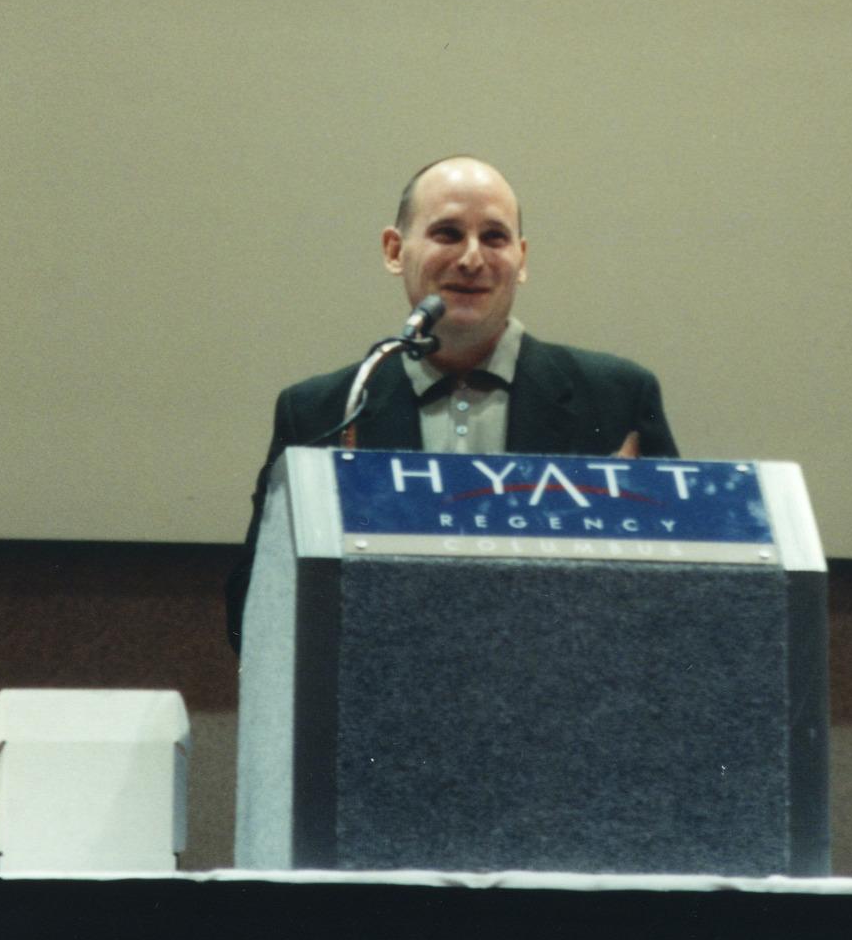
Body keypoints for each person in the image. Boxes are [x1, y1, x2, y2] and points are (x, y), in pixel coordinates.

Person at [226, 155, 678, 650]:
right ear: (394, 250)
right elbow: (251, 609)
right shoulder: (321, 411)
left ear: (522, 259)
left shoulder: (616, 399)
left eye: (495, 238)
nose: (471, 258)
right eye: (446, 233)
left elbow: (674, 600)